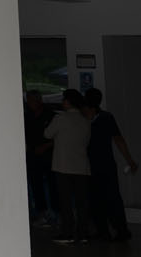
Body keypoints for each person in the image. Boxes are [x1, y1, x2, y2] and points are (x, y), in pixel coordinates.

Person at [82, 88, 139, 241]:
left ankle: (105, 230)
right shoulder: (107, 117)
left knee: (97, 198)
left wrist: (130, 160)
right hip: (106, 163)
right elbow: (118, 139)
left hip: (92, 165)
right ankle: (119, 229)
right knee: (111, 197)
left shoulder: (87, 119)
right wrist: (129, 160)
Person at [45, 91, 94, 244]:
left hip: (63, 166)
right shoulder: (85, 121)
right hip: (82, 166)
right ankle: (83, 233)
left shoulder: (60, 118)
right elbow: (87, 141)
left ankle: (67, 233)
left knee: (65, 202)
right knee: (81, 202)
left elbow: (47, 134)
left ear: (68, 102)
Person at [24, 91, 56, 227]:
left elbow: (58, 136)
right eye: (28, 100)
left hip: (49, 155)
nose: (29, 103)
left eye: (31, 100)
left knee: (53, 185)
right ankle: (42, 213)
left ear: (39, 100)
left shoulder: (51, 115)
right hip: (33, 156)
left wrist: (45, 146)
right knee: (36, 185)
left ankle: (55, 213)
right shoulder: (27, 116)